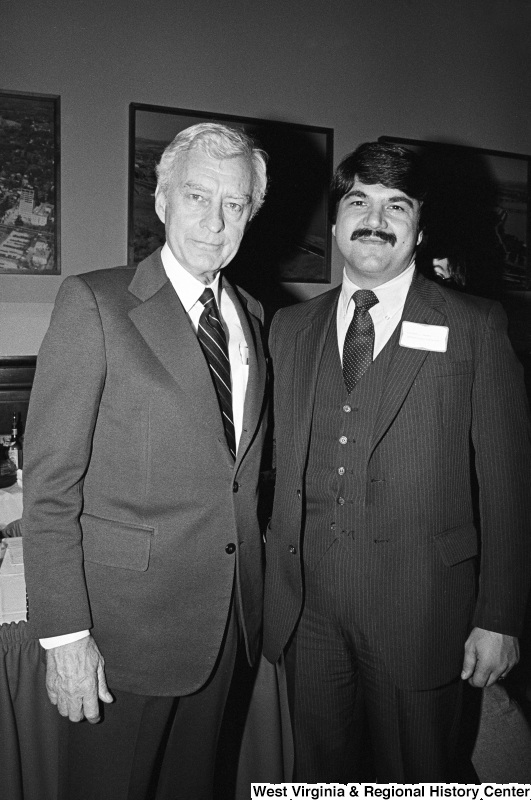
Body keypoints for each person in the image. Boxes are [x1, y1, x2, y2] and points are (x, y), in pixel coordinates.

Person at [263, 141, 531, 782]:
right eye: (359, 201)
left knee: (418, 777)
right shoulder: (288, 329)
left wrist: (500, 617)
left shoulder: (474, 326)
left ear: (420, 228)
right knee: (322, 777)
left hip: (421, 609)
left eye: (397, 204)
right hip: (310, 613)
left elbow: (509, 484)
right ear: (334, 223)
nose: (374, 218)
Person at [22, 122, 269, 800]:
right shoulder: (95, 303)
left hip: (226, 626)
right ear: (160, 201)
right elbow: (50, 489)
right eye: (196, 196)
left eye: (235, 203)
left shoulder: (250, 314)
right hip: (121, 636)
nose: (215, 222)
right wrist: (65, 635)